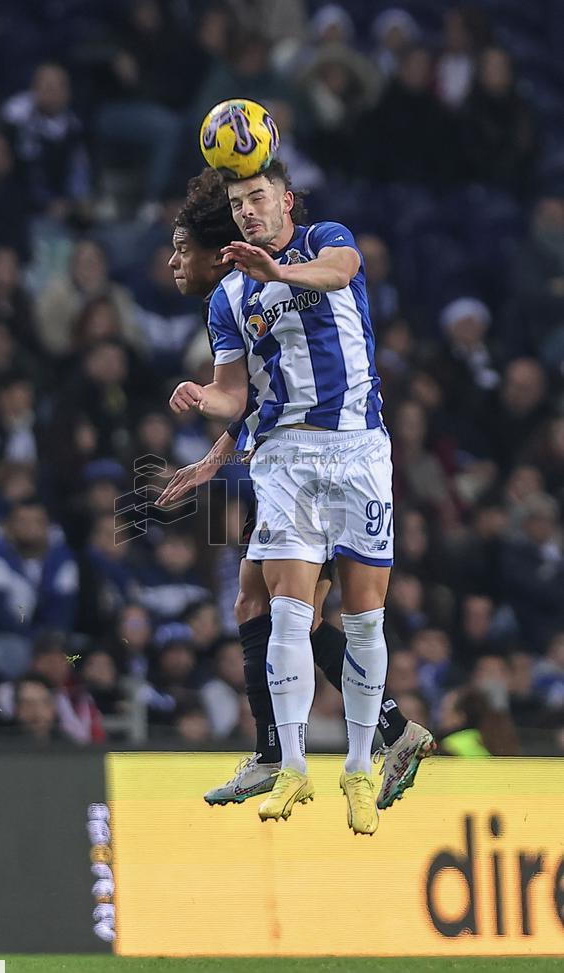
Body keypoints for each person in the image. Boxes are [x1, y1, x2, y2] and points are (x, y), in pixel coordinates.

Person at [162, 166, 433, 827]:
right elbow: (246, 394)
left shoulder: (318, 244)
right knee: (264, 604)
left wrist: (278, 275)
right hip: (285, 462)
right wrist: (209, 419)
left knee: (283, 607)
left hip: (351, 454)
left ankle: (347, 742)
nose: (173, 262)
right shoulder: (227, 299)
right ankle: (286, 752)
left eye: (180, 247)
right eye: (239, 202)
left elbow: (340, 272)